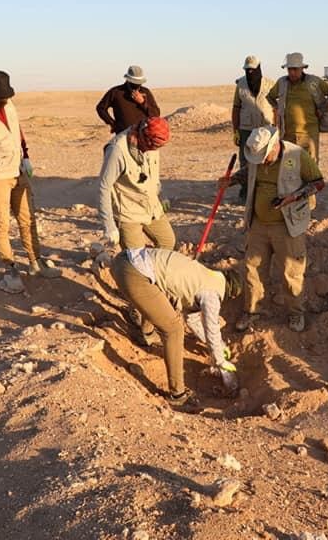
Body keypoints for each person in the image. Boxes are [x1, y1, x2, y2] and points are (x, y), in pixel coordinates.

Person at [0, 70, 61, 293]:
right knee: (1, 226)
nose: (4, 101)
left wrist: (26, 156)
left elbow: (18, 132)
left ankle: (36, 263)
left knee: (28, 219)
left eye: (7, 97)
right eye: (0, 97)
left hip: (18, 171)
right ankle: (11, 270)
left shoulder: (9, 105)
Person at [219, 126, 325, 333]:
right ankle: (252, 311)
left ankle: (295, 313)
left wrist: (293, 197)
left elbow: (318, 183)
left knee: (290, 271)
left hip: (288, 224)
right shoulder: (258, 159)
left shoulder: (297, 155)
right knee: (252, 269)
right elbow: (249, 173)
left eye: (265, 156)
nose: (263, 161)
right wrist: (231, 181)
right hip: (258, 223)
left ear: (274, 145)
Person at [109, 247, 243, 406]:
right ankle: (178, 395)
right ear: (231, 293)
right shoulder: (213, 294)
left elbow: (192, 319)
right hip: (133, 274)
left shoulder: (204, 275)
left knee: (161, 297)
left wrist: (218, 346)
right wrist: (220, 361)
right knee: (173, 329)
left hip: (124, 260)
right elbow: (211, 327)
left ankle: (146, 335)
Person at [98, 116, 174, 345]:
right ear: (142, 136)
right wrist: (109, 224)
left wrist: (160, 197)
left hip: (150, 207)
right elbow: (103, 187)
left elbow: (154, 174)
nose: (154, 150)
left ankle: (157, 294)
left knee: (168, 242)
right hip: (128, 213)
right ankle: (141, 317)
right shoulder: (117, 150)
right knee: (137, 268)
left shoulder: (152, 144)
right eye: (152, 146)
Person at [267, 52, 328, 162]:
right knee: (289, 166)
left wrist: (322, 109)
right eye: (290, 69)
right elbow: (270, 97)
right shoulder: (282, 82)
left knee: (310, 165)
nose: (292, 72)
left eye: (295, 69)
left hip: (309, 135)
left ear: (302, 68)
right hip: (287, 135)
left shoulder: (313, 82)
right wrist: (278, 109)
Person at [230, 55, 274, 200]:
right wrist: (235, 131)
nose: (250, 73)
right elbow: (236, 108)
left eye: (252, 70)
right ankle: (246, 192)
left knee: (265, 160)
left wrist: (277, 128)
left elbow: (276, 108)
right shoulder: (240, 84)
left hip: (265, 130)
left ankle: (262, 191)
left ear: (259, 68)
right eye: (247, 70)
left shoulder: (269, 84)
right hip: (246, 129)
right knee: (245, 160)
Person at [95, 65, 161, 134]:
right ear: (128, 80)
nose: (137, 85)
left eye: (139, 82)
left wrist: (143, 102)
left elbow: (156, 115)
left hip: (143, 135)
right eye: (134, 82)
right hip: (123, 135)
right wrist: (112, 123)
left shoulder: (145, 92)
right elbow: (100, 108)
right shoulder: (116, 92)